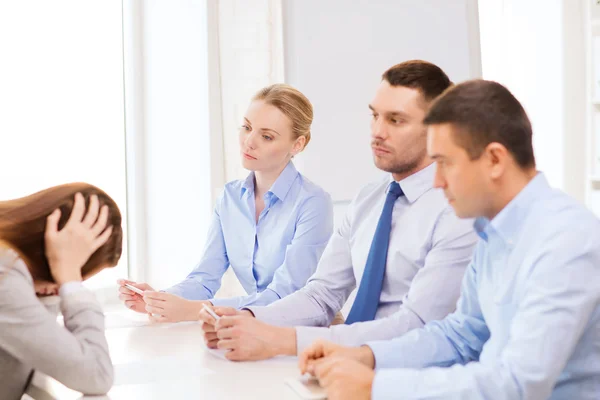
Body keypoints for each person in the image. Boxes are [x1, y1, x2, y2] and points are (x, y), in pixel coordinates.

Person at [298, 79, 600, 400]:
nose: (438, 182)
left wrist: (375, 388)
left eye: (444, 163)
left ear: (495, 160)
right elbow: (460, 335)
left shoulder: (566, 241)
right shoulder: (492, 232)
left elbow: (518, 384)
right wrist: (367, 356)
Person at [200, 60, 478, 361]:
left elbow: (416, 326)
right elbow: (322, 295)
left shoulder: (458, 211)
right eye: (375, 116)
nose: (377, 133)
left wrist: (282, 339)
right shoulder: (369, 198)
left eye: (396, 120)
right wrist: (249, 320)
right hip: (349, 367)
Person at [118, 83, 333, 322]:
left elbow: (284, 295)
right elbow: (205, 277)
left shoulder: (313, 203)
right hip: (253, 329)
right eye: (247, 127)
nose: (249, 142)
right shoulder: (230, 198)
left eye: (267, 136)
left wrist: (196, 309)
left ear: (297, 144)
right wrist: (160, 299)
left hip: (307, 332)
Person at [0, 183, 123, 399]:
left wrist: (48, 295)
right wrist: (70, 280)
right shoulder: (5, 275)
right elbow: (96, 375)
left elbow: (29, 358)